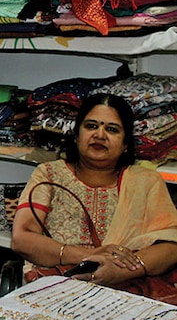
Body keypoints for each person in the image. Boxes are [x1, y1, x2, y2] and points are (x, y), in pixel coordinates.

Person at [11, 93, 177, 301]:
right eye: (91, 126)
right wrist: (88, 257)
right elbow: (22, 239)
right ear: (76, 136)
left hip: (125, 296)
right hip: (54, 291)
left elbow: (171, 246)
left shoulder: (146, 181)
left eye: (112, 129)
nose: (100, 135)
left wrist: (122, 271)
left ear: (126, 143)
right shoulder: (49, 175)